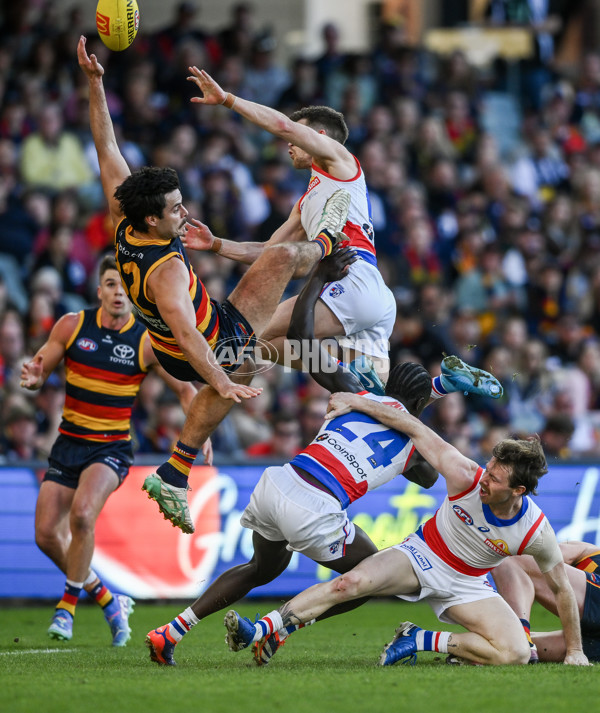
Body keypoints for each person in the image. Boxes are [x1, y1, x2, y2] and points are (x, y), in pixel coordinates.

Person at [143, 249, 504, 666]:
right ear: (421, 405)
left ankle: (172, 630)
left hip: (278, 483)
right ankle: (277, 628)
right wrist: (441, 390)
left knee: (261, 567)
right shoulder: (419, 451)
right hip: (315, 508)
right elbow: (422, 463)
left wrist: (318, 277)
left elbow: (300, 337)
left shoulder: (353, 395)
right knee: (366, 579)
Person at [78, 36, 335, 535]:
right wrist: (219, 380)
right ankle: (329, 241)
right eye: (175, 209)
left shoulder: (123, 216)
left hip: (182, 335)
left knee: (285, 349)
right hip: (206, 337)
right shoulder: (167, 271)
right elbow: (190, 335)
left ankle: (175, 471)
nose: (184, 211)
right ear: (152, 219)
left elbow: (106, 145)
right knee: (282, 258)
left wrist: (95, 83)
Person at [223, 393, 590, 667]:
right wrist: (357, 401)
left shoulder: (534, 530)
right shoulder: (465, 474)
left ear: (518, 491)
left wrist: (575, 652)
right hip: (420, 555)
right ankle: (261, 629)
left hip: (467, 584)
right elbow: (413, 426)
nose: (485, 477)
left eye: (494, 477)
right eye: (489, 465)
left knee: (516, 653)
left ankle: (420, 639)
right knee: (348, 584)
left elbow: (561, 589)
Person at [20, 255, 199, 645]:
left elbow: (186, 389)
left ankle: (66, 610)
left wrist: (201, 432)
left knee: (82, 516)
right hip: (68, 442)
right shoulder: (72, 326)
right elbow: (41, 365)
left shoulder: (147, 341)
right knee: (46, 535)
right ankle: (108, 599)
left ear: (133, 294)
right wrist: (34, 377)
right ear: (99, 290)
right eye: (111, 285)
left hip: (111, 449)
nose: (118, 293)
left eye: (124, 286)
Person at [183, 64, 397, 389]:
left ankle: (339, 368)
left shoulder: (341, 161)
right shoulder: (307, 201)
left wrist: (227, 99)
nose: (289, 143)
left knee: (258, 335)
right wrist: (215, 244)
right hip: (373, 294)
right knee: (375, 398)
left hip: (352, 281)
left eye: (300, 135)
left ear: (318, 138)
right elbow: (271, 253)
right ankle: (440, 386)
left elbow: (282, 125)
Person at [493, 539, 600, 662]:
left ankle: (522, 633)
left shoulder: (580, 548)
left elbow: (548, 558)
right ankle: (519, 638)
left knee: (508, 560)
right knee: (510, 648)